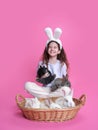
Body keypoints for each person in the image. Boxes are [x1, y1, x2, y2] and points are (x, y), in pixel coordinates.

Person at [24, 27, 71, 98]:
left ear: (59, 51)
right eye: (50, 47)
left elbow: (65, 79)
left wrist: (62, 84)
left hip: (57, 89)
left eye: (55, 47)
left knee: (66, 89)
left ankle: (46, 98)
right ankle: (50, 98)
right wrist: (42, 77)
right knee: (27, 85)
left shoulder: (62, 64)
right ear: (47, 49)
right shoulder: (42, 63)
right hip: (45, 89)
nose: (52, 49)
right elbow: (38, 78)